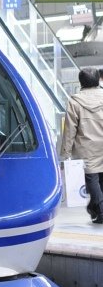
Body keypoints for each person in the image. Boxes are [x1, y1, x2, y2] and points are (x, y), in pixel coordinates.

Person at [60, 67, 103, 223]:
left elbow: (70, 129)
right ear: (98, 80)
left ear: (81, 82)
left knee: (92, 179)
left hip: (87, 147)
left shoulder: (75, 101)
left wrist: (65, 153)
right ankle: (96, 208)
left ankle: (100, 211)